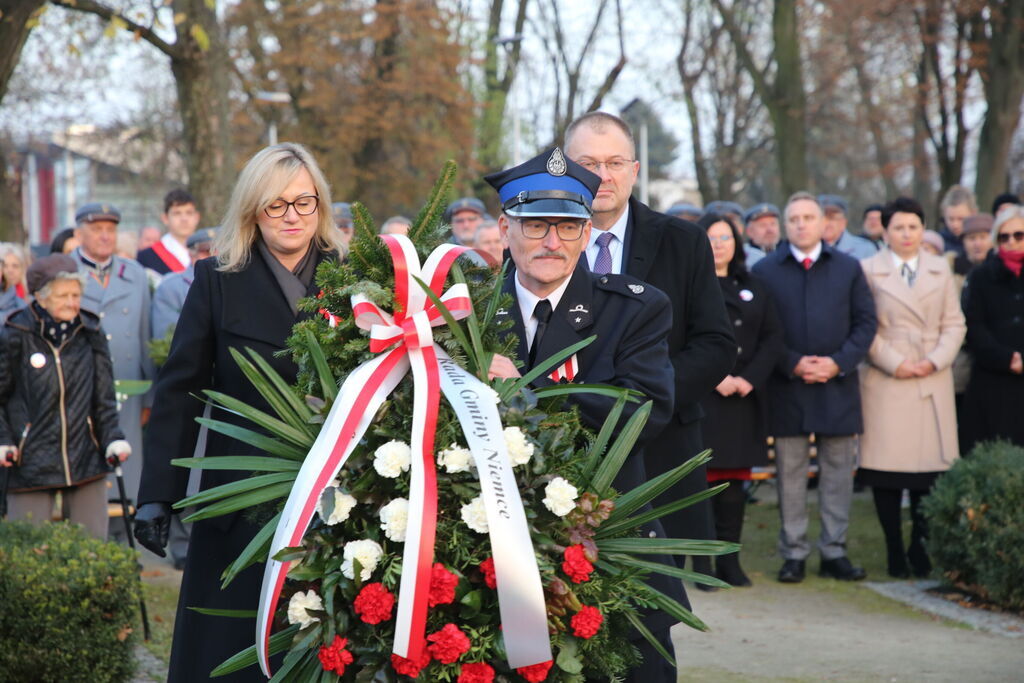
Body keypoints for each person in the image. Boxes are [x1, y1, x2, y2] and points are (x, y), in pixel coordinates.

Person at [131, 143, 343, 682]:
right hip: (241, 497)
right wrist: (158, 494)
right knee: (230, 652)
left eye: (304, 202)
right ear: (252, 210)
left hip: (339, 502)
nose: (292, 216)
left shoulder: (355, 281)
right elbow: (180, 392)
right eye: (276, 204)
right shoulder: (216, 280)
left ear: (320, 206)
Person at [485, 146, 680, 682]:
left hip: (606, 542)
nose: (552, 242)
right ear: (504, 228)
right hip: (488, 551)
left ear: (588, 234)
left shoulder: (635, 308)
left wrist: (527, 387)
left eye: (569, 227)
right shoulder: (467, 311)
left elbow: (643, 413)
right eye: (535, 225)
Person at [564, 112, 736, 583]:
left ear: (635, 171)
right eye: (588, 162)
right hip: (563, 451)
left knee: (652, 609)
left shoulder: (684, 242)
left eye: (615, 162)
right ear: (565, 168)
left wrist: (641, 402)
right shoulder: (540, 240)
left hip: (658, 449)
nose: (602, 175)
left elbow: (716, 343)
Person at [752, 192, 877, 583]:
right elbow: (762, 330)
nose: (802, 224)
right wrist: (791, 362)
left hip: (836, 385)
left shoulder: (848, 268)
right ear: (786, 225)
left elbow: (866, 323)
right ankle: (794, 553)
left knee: (838, 471)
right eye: (795, 219)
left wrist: (838, 362)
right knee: (789, 473)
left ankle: (834, 551)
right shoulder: (767, 271)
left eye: (809, 217)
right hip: (787, 386)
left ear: (825, 223)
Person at [858, 197, 966, 578]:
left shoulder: (941, 268)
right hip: (888, 377)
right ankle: (893, 550)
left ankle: (920, 545)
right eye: (899, 228)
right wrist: (895, 362)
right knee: (887, 471)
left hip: (931, 376)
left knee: (927, 473)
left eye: (914, 227)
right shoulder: (867, 269)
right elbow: (863, 324)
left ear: (924, 229)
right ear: (885, 232)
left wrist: (935, 360)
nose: (907, 234)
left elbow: (955, 323)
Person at [0, 254, 130, 539]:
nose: (73, 302)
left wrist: (112, 438)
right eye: (63, 295)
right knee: (28, 551)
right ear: (41, 297)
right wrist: (5, 440)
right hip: (29, 459)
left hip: (85, 455)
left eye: (76, 294)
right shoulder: (14, 333)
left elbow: (104, 397)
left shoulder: (91, 331)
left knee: (92, 548)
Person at [699, 213, 785, 587]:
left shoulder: (755, 284)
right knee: (700, 485)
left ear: (737, 243)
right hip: (705, 397)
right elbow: (681, 338)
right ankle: (702, 563)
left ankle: (730, 560)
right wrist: (714, 376)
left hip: (743, 400)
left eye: (726, 238)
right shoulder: (691, 285)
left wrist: (748, 379)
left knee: (735, 486)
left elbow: (773, 337)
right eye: (712, 238)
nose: (719, 245)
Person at [72, 202, 153, 529]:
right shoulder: (66, 272)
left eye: (110, 229)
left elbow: (146, 336)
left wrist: (151, 395)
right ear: (79, 233)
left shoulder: (133, 273)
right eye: (96, 229)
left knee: (129, 470)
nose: (105, 236)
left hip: (129, 388)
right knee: (90, 468)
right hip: (84, 388)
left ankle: (126, 543)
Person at [960, 205, 1024, 450]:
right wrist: (1007, 358)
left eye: (1019, 235)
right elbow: (974, 326)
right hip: (992, 379)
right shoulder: (980, 277)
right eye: (1004, 236)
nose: (1012, 242)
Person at [151, 227, 218, 340]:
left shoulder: (235, 282)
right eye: (207, 252)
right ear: (191, 255)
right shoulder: (170, 287)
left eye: (220, 251)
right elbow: (166, 338)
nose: (215, 257)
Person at [137, 189, 201, 277]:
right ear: (165, 218)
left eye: (189, 213)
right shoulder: (146, 257)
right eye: (177, 213)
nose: (184, 219)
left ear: (197, 217)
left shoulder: (209, 252)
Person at [819, 194, 877, 260]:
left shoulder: (865, 249)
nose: (826, 223)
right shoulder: (808, 249)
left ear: (843, 223)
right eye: (821, 218)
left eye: (831, 218)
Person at [938, 185, 977, 257]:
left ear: (973, 214)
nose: (955, 225)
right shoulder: (938, 244)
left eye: (961, 219)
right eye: (951, 219)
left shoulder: (982, 242)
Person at [743, 202, 782, 267]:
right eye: (763, 225)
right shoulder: (741, 258)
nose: (769, 230)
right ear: (749, 232)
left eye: (773, 224)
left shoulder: (792, 252)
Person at [0, 243, 28, 320]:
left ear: (23, 269)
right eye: (5, 266)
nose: (10, 271)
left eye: (15, 266)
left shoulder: (30, 301)